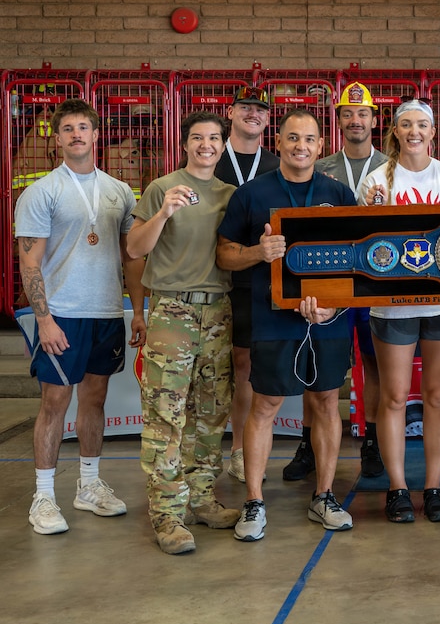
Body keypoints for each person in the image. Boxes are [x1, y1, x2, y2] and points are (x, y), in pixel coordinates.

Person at [217, 109, 358, 542]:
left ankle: (325, 495)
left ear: (320, 145)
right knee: (265, 406)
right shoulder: (251, 194)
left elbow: (354, 261)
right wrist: (258, 253)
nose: (301, 146)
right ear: (278, 143)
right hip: (271, 318)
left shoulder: (339, 194)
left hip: (327, 319)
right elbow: (224, 255)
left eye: (309, 139)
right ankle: (255, 501)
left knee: (327, 403)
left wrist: (331, 309)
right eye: (293, 138)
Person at [15, 98, 146, 535]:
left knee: (95, 399)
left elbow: (132, 259)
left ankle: (88, 486)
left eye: (83, 128)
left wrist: (138, 311)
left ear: (95, 136)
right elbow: (30, 265)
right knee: (55, 402)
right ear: (58, 138)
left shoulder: (119, 191)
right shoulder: (42, 192)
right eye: (67, 128)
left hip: (106, 311)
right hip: (63, 314)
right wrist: (45, 319)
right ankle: (44, 495)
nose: (76, 134)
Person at [128, 112, 239, 554]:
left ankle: (202, 497)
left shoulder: (233, 195)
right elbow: (134, 249)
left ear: (223, 144)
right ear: (185, 143)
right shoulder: (162, 187)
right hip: (173, 309)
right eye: (198, 138)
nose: (206, 145)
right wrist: (165, 211)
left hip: (218, 311)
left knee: (212, 410)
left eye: (214, 138)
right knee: (166, 414)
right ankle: (168, 514)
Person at [360, 99, 440, 523]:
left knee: (437, 396)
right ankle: (397, 488)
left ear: (432, 132)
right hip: (393, 306)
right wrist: (369, 213)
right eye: (406, 124)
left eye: (421, 125)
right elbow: (364, 243)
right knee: (392, 397)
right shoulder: (375, 180)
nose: (414, 131)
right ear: (395, 131)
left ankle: (434, 487)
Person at [312, 82, 389, 479]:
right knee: (321, 362)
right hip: (333, 281)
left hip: (373, 281)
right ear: (338, 120)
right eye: (347, 113)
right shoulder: (320, 166)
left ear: (375, 120)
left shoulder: (394, 165)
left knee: (374, 363)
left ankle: (372, 441)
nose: (355, 120)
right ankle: (310, 445)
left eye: (362, 114)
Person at [213, 86, 280, 484]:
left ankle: (239, 450)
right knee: (214, 369)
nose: (252, 114)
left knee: (245, 366)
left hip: (258, 279)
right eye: (245, 108)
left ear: (267, 119)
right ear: (231, 112)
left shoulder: (276, 162)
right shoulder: (211, 156)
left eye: (260, 109)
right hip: (215, 275)